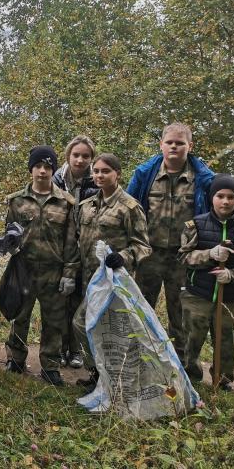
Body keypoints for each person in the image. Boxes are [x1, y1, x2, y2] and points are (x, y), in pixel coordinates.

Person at [126, 122, 215, 358]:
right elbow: (127, 208)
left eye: (180, 143)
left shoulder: (203, 179)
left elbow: (216, 212)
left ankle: (179, 363)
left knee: (181, 312)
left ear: (190, 146)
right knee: (143, 308)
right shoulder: (145, 174)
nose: (174, 147)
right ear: (161, 145)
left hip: (183, 258)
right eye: (170, 142)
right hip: (149, 255)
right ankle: (140, 357)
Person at [178, 174, 234, 391]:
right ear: (212, 197)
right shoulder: (195, 225)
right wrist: (209, 253)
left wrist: (233, 275)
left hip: (230, 298)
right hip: (197, 294)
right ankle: (191, 376)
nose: (225, 201)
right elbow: (183, 257)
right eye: (220, 196)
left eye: (230, 196)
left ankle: (222, 381)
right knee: (192, 338)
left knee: (226, 340)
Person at [74, 153, 151, 392]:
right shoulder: (87, 205)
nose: (99, 175)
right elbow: (78, 238)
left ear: (117, 174)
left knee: (108, 329)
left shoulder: (129, 207)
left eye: (105, 171)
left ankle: (116, 379)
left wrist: (124, 257)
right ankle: (98, 372)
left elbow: (143, 246)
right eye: (96, 171)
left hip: (113, 281)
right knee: (85, 325)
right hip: (89, 279)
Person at [3, 146, 80, 386]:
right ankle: (15, 359)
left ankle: (50, 366)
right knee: (20, 316)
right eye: (38, 166)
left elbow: (71, 243)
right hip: (23, 270)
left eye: (48, 167)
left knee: (53, 321)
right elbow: (9, 234)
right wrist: (9, 247)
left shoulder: (66, 203)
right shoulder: (16, 201)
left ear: (53, 170)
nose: (43, 171)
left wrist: (69, 273)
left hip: (53, 272)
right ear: (31, 169)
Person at [52, 135, 99, 369]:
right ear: (68, 156)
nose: (80, 160)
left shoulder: (96, 181)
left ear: (91, 158)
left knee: (81, 301)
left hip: (88, 250)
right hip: (60, 248)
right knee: (61, 300)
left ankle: (77, 350)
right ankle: (60, 348)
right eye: (76, 155)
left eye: (85, 156)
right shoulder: (56, 180)